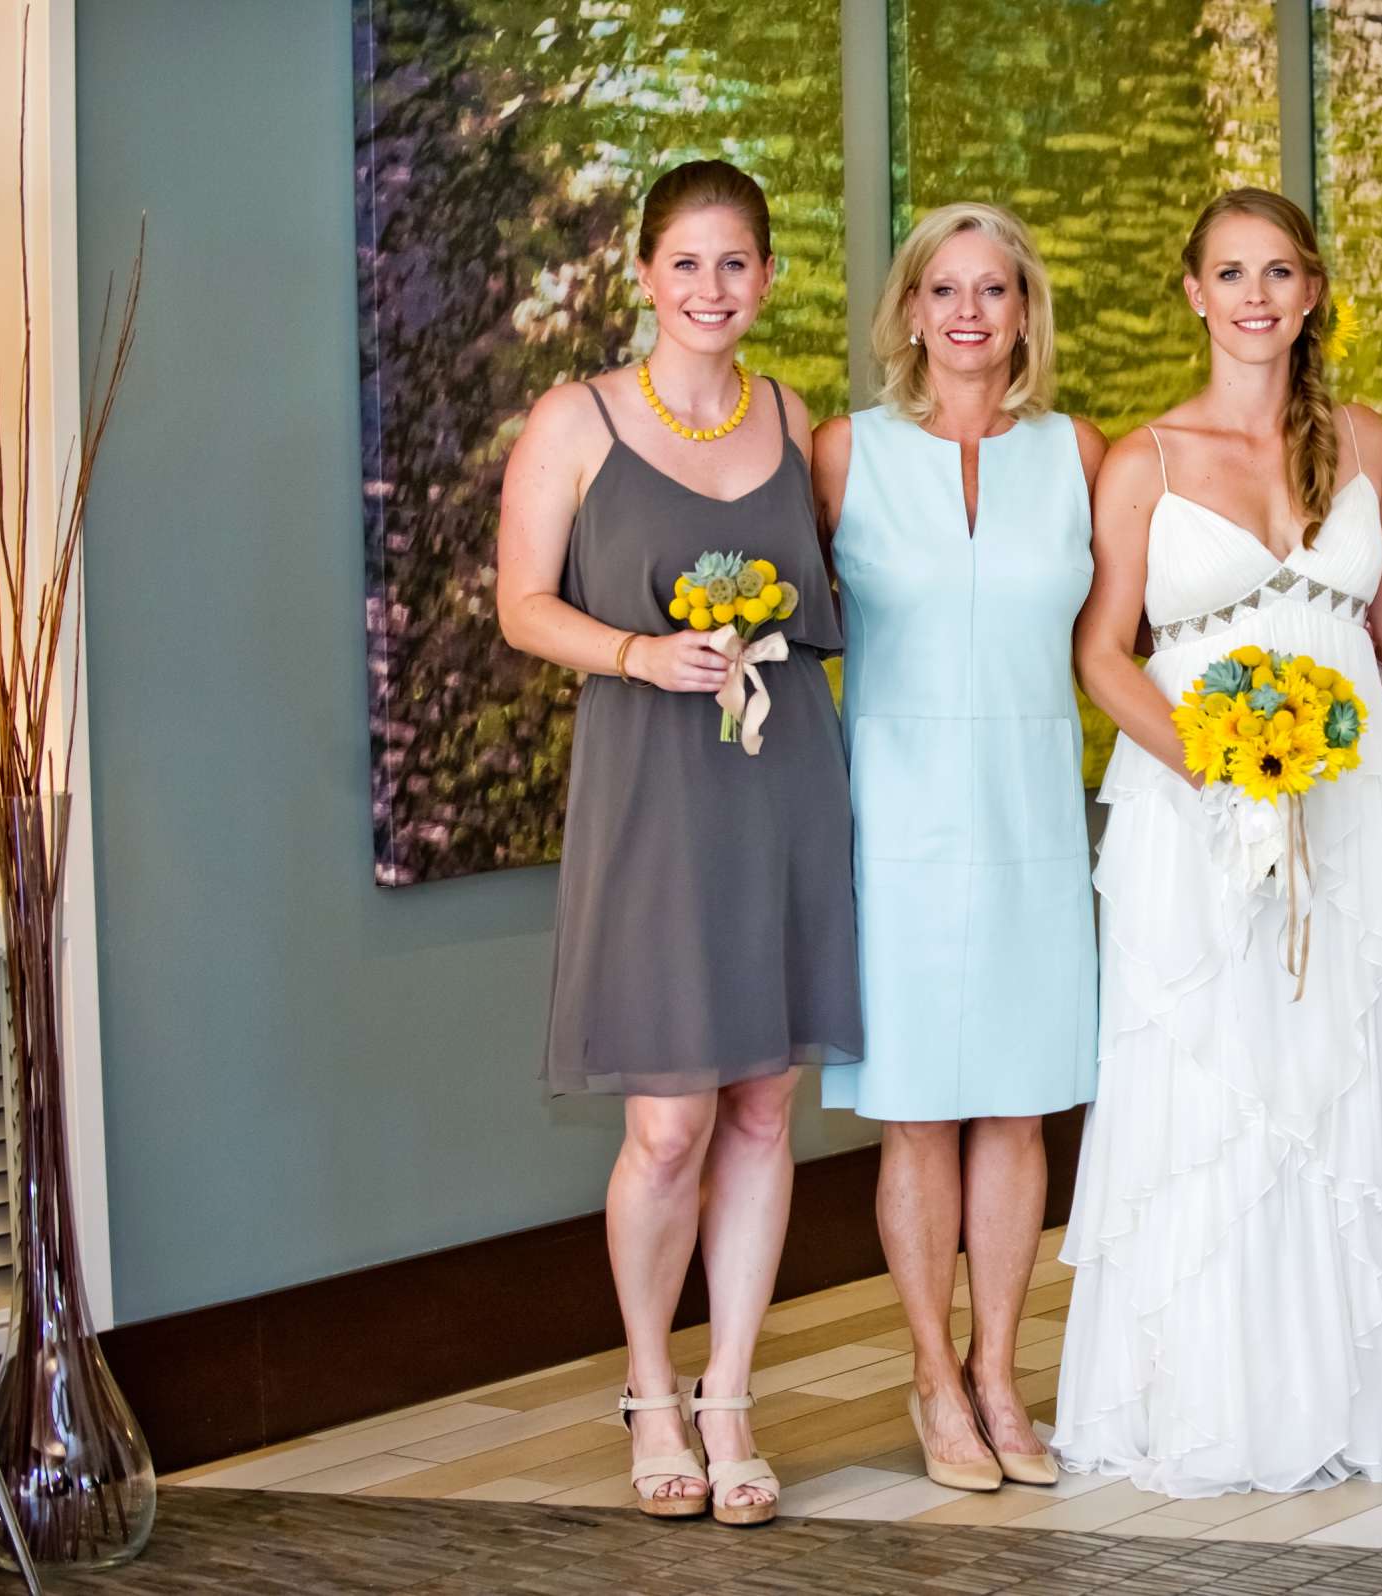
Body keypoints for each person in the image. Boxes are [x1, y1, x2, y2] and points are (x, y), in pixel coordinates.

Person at [1055, 187, 1382, 1498]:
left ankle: (1365, 1397)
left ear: (1310, 292)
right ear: (1195, 292)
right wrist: (1222, 766)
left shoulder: (1369, 441)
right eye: (1230, 273)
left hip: (1352, 806)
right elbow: (1098, 651)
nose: (1253, 295)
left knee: (1345, 1073)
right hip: (1193, 818)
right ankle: (1202, 1402)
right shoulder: (1146, 459)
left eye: (1278, 272)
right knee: (1214, 1088)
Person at [496, 159, 862, 1525]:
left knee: (766, 1103)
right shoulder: (575, 420)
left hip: (780, 784)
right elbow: (521, 605)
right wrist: (639, 653)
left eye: (737, 264)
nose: (712, 288)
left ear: (766, 280)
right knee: (669, 1122)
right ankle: (651, 1383)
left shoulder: (789, 413)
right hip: (652, 788)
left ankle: (733, 1398)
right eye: (686, 264)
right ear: (644, 276)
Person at [811, 202, 1104, 1494]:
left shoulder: (1080, 454)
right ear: (911, 310)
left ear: (1025, 311)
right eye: (946, 288)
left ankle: (1001, 1370)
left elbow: (1124, 637)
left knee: (1021, 1107)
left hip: (1035, 820)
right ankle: (931, 1373)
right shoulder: (844, 454)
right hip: (902, 827)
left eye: (995, 289)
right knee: (920, 1115)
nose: (970, 312)